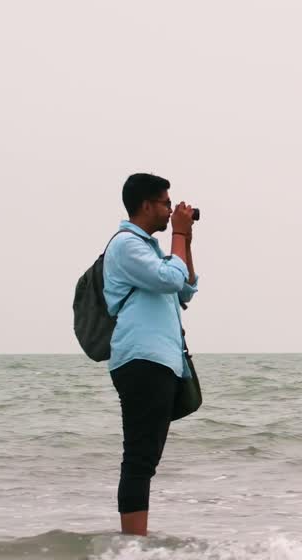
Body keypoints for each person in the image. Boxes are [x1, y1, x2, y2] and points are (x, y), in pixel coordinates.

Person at [103, 173, 199, 536]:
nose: (170, 209)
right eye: (164, 203)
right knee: (139, 459)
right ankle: (133, 546)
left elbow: (185, 288)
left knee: (146, 460)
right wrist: (177, 235)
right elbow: (171, 280)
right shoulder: (127, 246)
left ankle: (134, 544)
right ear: (145, 205)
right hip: (141, 361)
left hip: (159, 362)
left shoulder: (150, 249)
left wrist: (184, 239)